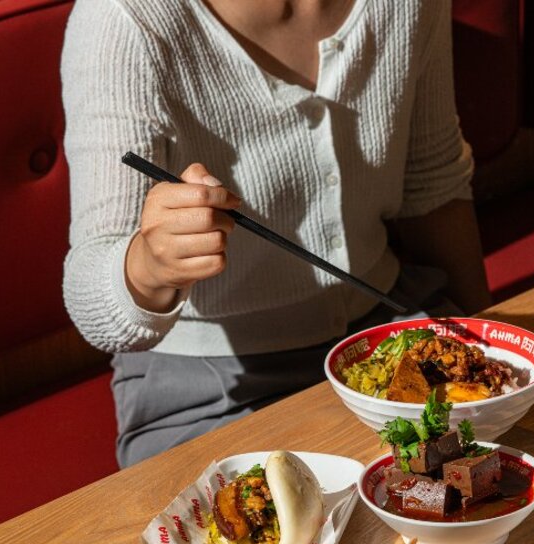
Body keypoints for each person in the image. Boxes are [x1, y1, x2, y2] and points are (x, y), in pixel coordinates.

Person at [61, 0, 492, 468]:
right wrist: (150, 265)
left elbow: (434, 187)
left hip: (387, 332)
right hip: (213, 392)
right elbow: (90, 299)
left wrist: (492, 347)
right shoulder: (123, 18)